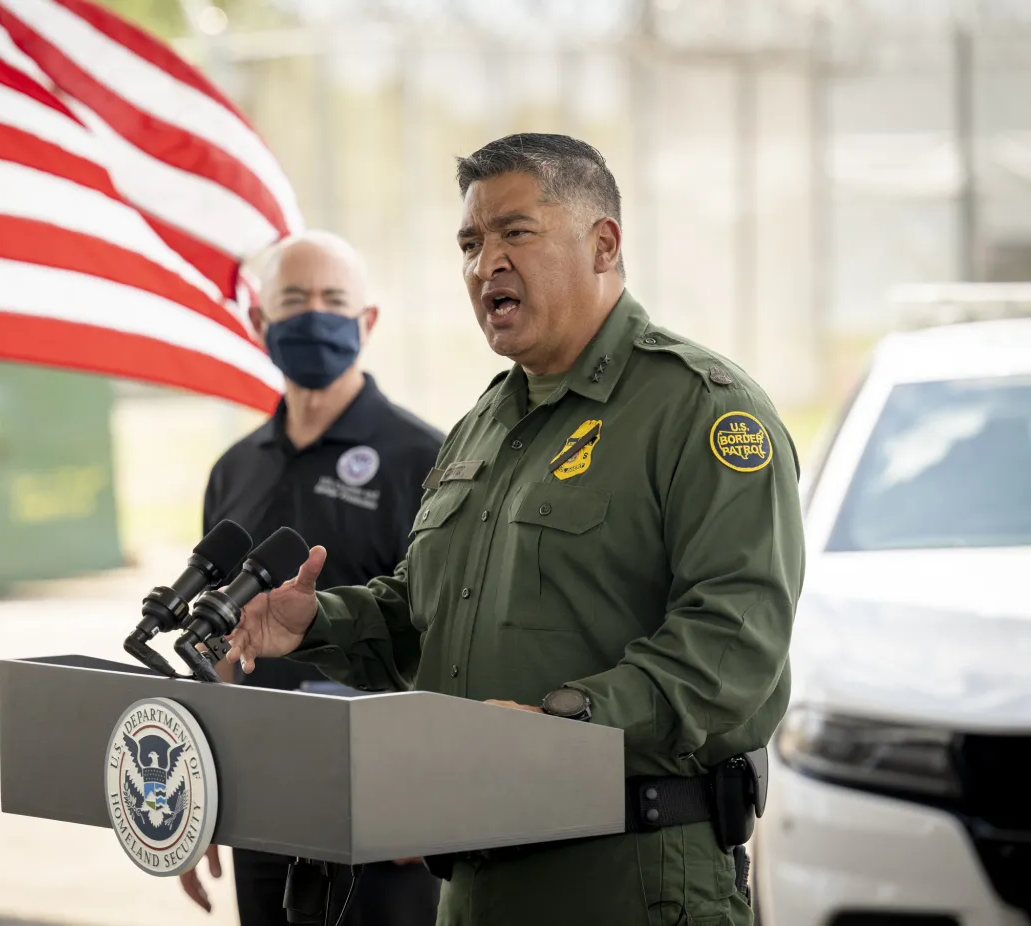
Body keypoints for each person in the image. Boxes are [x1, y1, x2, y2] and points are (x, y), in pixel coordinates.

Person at [223, 134, 806, 926]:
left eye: (514, 233)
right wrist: (318, 621)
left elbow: (734, 645)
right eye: (470, 242)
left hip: (632, 874)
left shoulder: (702, 410)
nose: (484, 262)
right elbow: (431, 612)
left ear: (604, 244)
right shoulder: (486, 424)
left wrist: (558, 724)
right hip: (473, 882)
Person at [181, 230, 443, 926]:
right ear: (260, 322)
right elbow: (214, 644)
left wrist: (427, 794)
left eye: (334, 300)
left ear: (369, 322)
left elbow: (448, 638)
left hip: (383, 810)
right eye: (294, 301)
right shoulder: (235, 470)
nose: (315, 316)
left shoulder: (426, 459)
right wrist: (193, 792)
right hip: (259, 798)